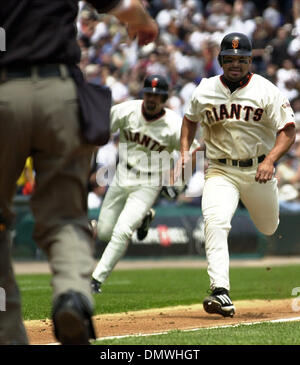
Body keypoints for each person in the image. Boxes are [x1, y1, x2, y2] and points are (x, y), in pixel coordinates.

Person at [0, 0, 158, 345]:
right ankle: (71, 294)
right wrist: (143, 20)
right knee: (65, 219)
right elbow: (123, 6)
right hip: (59, 92)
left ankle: (8, 334)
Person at [175, 32, 296, 318]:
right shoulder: (204, 89)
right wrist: (184, 149)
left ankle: (222, 289)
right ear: (220, 61)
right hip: (220, 169)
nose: (235, 64)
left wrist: (270, 160)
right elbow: (189, 120)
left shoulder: (266, 90)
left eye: (241, 59)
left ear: (249, 60)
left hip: (259, 171)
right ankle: (221, 291)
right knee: (215, 221)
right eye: (229, 59)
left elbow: (288, 130)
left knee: (268, 227)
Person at [91, 74, 200, 294]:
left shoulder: (173, 124)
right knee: (103, 232)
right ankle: (145, 217)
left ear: (165, 98)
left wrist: (178, 183)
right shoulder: (127, 110)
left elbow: (193, 151)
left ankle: (96, 279)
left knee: (122, 231)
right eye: (148, 94)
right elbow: (99, 130)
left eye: (157, 96)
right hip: (122, 174)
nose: (151, 99)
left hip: (149, 181)